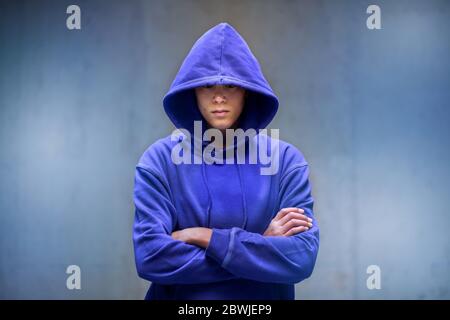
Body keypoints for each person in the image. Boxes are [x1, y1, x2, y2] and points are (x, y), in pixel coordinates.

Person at [133, 22, 319, 300]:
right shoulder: (159, 161)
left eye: (231, 85)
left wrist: (204, 236)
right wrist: (261, 247)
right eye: (206, 85)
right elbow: (151, 257)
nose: (219, 96)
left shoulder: (285, 161)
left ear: (248, 90)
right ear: (191, 90)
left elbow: (300, 258)